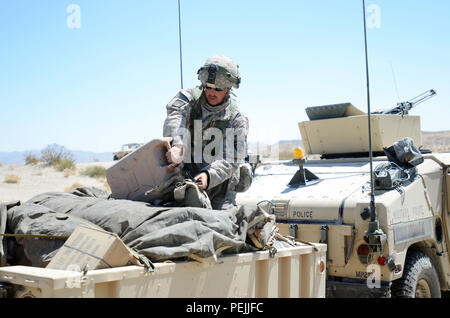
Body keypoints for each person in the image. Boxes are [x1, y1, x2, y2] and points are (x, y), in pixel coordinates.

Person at [163, 55, 250, 210]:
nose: (211, 92)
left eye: (218, 89)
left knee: (222, 225)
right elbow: (175, 116)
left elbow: (231, 158)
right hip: (187, 177)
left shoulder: (236, 120)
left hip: (221, 186)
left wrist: (209, 176)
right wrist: (177, 145)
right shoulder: (188, 99)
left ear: (229, 89)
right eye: (208, 86)